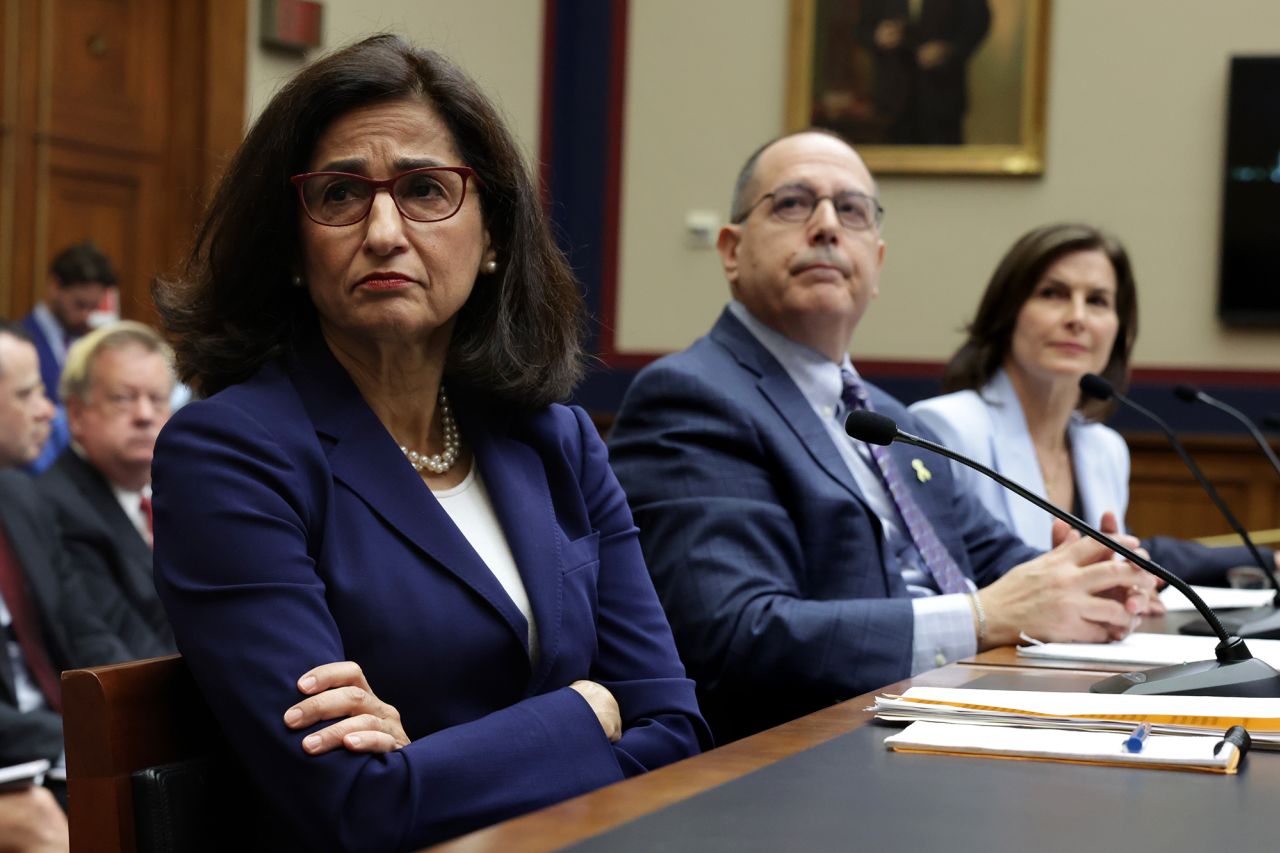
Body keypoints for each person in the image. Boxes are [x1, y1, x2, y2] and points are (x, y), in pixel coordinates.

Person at [150, 34, 709, 852]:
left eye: (423, 190)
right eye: (341, 194)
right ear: (294, 248)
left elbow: (676, 730)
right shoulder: (230, 455)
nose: (383, 230)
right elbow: (352, 806)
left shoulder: (557, 442)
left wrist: (427, 764)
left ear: (491, 239)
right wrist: (586, 712)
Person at [607, 130, 1157, 743]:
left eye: (852, 211)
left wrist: (1092, 579)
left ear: (878, 262)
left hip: (963, 717)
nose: (825, 226)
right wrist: (982, 618)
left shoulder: (895, 421)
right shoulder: (693, 396)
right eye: (791, 203)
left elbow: (995, 557)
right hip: (814, 755)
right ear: (731, 250)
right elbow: (734, 633)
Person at [909, 223, 1268, 585]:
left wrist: (1132, 589)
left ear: (1118, 330)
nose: (1077, 318)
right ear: (1008, 312)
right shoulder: (944, 428)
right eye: (1052, 294)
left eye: (1097, 301)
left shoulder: (1105, 449)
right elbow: (942, 585)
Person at [0, 321, 131, 768]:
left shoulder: (22, 498)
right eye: (27, 395)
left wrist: (138, 710)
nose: (47, 411)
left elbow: (87, 632)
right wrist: (85, 741)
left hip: (68, 753)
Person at [35, 321, 177, 659]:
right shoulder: (58, 506)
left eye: (157, 399)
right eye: (123, 399)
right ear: (77, 413)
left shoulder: (180, 496)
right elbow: (123, 652)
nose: (145, 415)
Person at [853, 0, 991, 145]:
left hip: (942, 95)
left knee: (942, 160)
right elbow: (862, 29)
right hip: (891, 99)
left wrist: (949, 50)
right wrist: (878, 36)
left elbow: (978, 21)